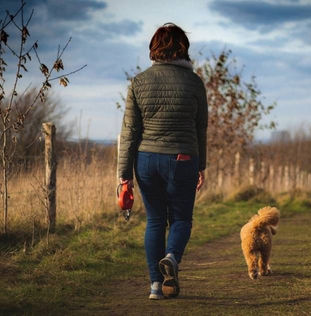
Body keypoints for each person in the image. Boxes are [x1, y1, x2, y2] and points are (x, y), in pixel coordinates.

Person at [117, 23, 207, 300]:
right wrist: (201, 165)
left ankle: (156, 285)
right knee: (181, 218)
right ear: (183, 49)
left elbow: (129, 131)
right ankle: (171, 257)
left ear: (155, 48)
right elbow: (200, 127)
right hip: (182, 158)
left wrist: (124, 174)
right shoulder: (194, 83)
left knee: (155, 221)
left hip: (146, 160)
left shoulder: (139, 82)